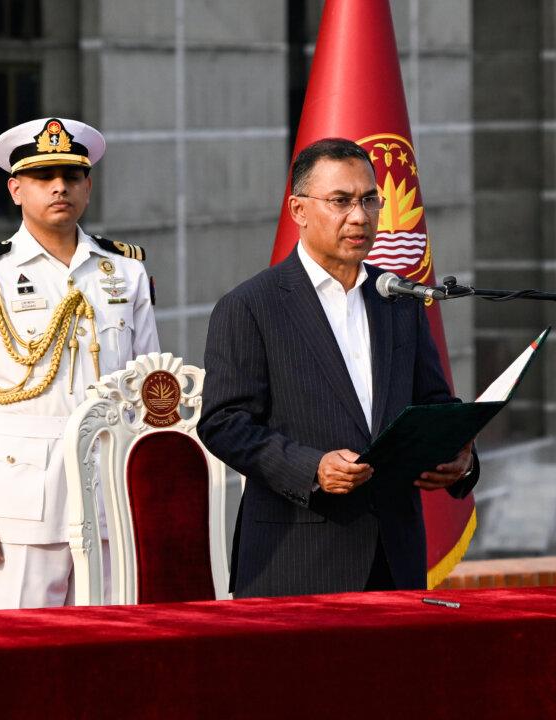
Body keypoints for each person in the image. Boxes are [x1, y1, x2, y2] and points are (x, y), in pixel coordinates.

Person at [197, 138, 479, 598]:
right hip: (296, 558)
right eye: (341, 201)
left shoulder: (399, 299)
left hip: (395, 555)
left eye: (370, 200)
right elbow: (224, 424)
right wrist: (312, 467)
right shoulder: (251, 305)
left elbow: (433, 403)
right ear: (299, 210)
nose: (360, 216)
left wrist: (459, 456)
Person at [0, 117, 159, 609]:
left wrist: (147, 493)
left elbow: (146, 392)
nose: (60, 187)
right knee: (18, 648)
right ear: (16, 189)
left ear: (88, 186)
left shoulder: (125, 270)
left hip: (110, 494)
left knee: (109, 644)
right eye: (43, 178)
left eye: (72, 176)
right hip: (20, 500)